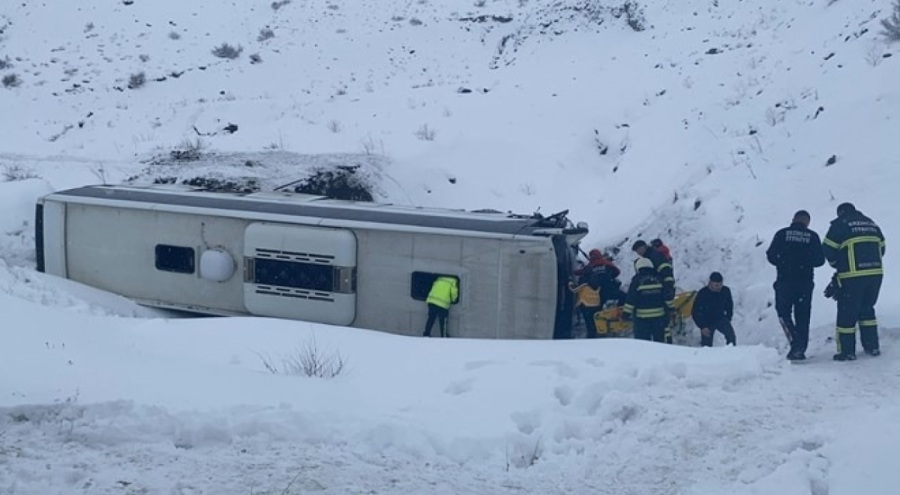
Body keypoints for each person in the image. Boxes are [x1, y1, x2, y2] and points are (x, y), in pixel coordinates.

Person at [822, 202, 886, 361]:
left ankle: (847, 351)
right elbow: (882, 247)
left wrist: (838, 265)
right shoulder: (870, 223)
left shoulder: (840, 224)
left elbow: (828, 249)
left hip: (852, 275)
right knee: (867, 309)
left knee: (847, 312)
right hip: (875, 274)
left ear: (841, 213)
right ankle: (872, 346)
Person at [765, 210, 826, 361]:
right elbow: (820, 260)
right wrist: (805, 261)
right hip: (805, 282)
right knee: (803, 316)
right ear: (807, 222)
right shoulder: (812, 237)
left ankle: (795, 342)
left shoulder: (782, 234)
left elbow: (771, 255)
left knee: (782, 312)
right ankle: (800, 349)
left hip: (785, 280)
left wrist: (784, 261)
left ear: (793, 219)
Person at [622, 257, 669, 343]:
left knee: (643, 344)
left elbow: (631, 299)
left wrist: (626, 314)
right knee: (659, 342)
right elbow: (666, 296)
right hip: (659, 318)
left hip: (642, 319)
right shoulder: (659, 279)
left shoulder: (637, 280)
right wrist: (670, 309)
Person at [691, 272, 736, 347]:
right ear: (710, 283)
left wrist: (728, 318)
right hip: (706, 322)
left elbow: (729, 305)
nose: (719, 287)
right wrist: (702, 327)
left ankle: (732, 354)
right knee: (706, 346)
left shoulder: (725, 291)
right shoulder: (703, 293)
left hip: (720, 318)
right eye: (716, 285)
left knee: (731, 337)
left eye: (721, 284)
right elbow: (695, 312)